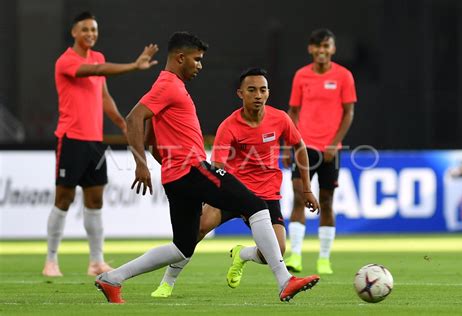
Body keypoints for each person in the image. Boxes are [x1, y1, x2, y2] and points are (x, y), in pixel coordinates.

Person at [94, 32, 320, 304]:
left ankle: (112, 278)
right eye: (197, 59)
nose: (200, 65)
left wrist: (167, 167)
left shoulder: (166, 87)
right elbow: (133, 119)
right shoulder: (169, 85)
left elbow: (150, 139)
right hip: (192, 169)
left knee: (181, 248)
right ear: (180, 58)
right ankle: (285, 281)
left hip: (178, 177)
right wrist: (140, 165)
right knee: (256, 205)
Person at [150, 67, 320, 298]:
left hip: (267, 195)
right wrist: (208, 195)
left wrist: (307, 190)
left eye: (262, 90)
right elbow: (217, 166)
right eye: (252, 90)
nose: (258, 95)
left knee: (277, 250)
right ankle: (167, 282)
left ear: (268, 93)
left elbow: (299, 147)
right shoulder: (228, 126)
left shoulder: (280, 118)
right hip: (234, 192)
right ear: (240, 93)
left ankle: (243, 255)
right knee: (196, 230)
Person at [42, 11, 158, 277]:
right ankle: (51, 260)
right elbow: (95, 71)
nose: (90, 34)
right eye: (85, 30)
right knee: (64, 198)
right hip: (71, 139)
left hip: (95, 142)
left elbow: (103, 95)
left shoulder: (98, 56)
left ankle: (96, 261)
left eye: (94, 30)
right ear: (74, 33)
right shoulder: (65, 62)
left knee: (95, 201)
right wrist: (133, 66)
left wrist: (120, 122)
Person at [284, 28, 357, 274]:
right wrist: (289, 144)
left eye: (326, 46)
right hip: (303, 147)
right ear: (310, 49)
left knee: (326, 201)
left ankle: (324, 258)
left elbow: (348, 113)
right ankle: (295, 254)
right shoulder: (301, 76)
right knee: (298, 197)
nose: (322, 51)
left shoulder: (344, 76)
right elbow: (293, 112)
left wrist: (334, 143)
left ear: (333, 49)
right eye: (318, 46)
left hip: (330, 150)